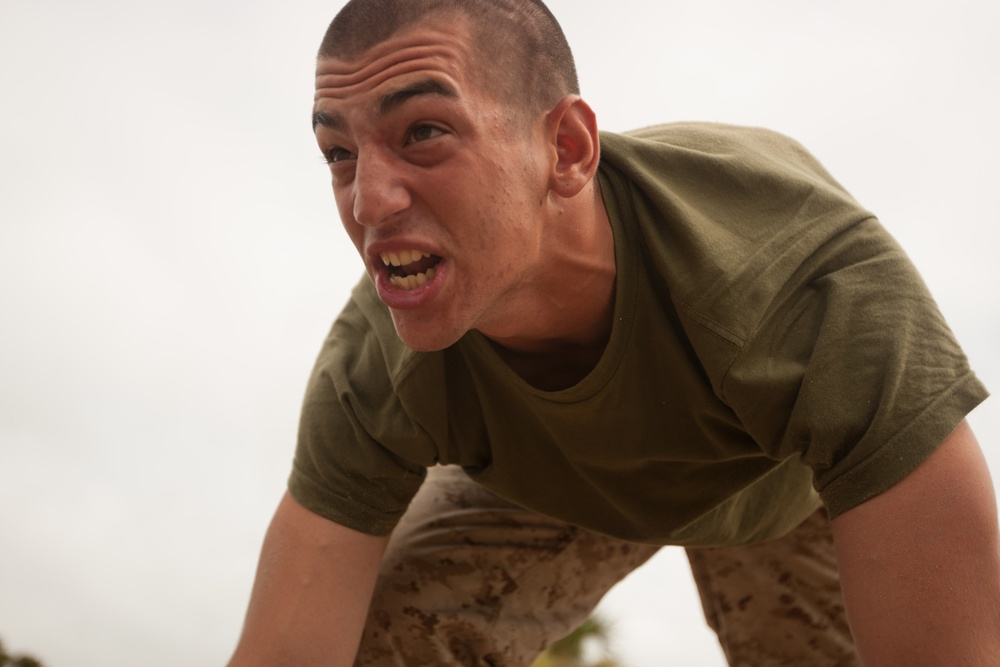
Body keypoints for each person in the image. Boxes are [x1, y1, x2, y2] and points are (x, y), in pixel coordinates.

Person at [228, 0, 1000, 664]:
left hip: (782, 478)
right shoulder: (377, 366)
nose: (368, 201)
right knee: (384, 635)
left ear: (565, 150)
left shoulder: (798, 281)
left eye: (424, 131)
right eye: (339, 152)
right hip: (545, 484)